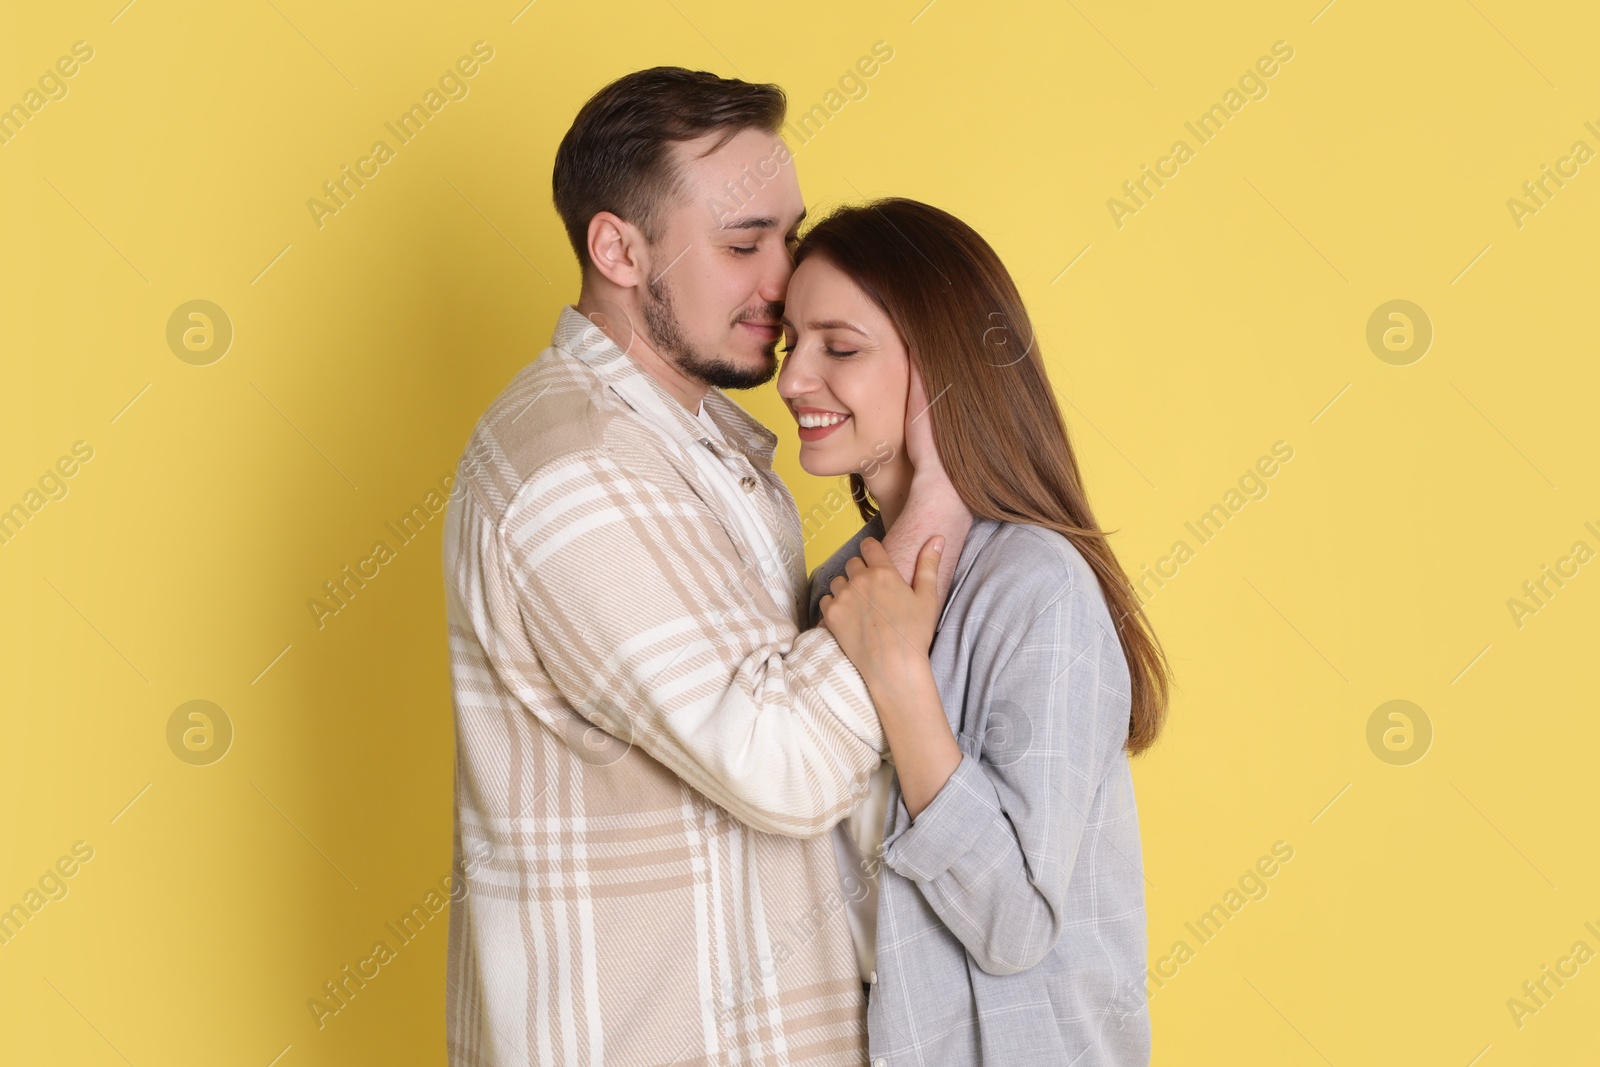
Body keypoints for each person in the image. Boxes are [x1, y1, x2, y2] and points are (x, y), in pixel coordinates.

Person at [439, 70, 968, 1065]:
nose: (784, 277)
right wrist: (934, 505)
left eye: (787, 235)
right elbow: (783, 764)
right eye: (741, 243)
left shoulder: (692, 451)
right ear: (619, 249)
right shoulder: (575, 467)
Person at [776, 198, 1172, 1065]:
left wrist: (902, 683)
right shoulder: (835, 590)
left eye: (839, 347)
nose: (792, 379)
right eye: (789, 345)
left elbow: (1015, 923)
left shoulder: (1039, 589)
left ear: (941, 369)